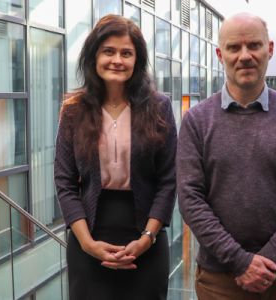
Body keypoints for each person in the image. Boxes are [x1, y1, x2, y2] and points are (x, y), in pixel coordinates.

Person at [176, 12, 276, 299]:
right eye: (234, 47)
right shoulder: (196, 120)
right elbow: (190, 199)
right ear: (220, 54)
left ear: (270, 49)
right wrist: (241, 262)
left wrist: (265, 262)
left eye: (254, 45)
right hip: (220, 281)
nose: (245, 56)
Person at [54, 14, 177, 300]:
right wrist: (86, 243)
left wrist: (147, 239)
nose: (117, 60)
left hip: (146, 233)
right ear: (94, 56)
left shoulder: (160, 107)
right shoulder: (74, 110)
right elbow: (64, 181)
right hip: (90, 230)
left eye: (126, 53)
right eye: (108, 51)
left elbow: (168, 180)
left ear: (137, 60)